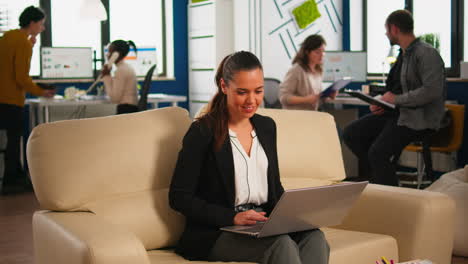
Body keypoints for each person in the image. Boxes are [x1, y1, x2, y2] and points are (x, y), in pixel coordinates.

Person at [169, 51, 330, 263]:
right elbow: (179, 197)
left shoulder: (266, 126)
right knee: (280, 244)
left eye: (258, 91)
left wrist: (293, 216)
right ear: (224, 86)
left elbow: (274, 186)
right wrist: (232, 217)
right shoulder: (203, 131)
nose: (251, 100)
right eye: (242, 92)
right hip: (218, 231)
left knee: (314, 237)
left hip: (264, 222)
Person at [342, 9, 446, 186]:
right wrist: (382, 102)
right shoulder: (403, 54)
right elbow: (396, 89)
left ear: (394, 28)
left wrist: (395, 100)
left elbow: (431, 91)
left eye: (386, 30)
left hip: (419, 119)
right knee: (351, 134)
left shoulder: (426, 53)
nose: (386, 34)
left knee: (378, 153)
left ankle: (390, 192)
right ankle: (379, 179)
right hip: (398, 114)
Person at [0, 6, 55, 195]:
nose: (43, 28)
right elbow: (21, 77)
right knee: (14, 140)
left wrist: (29, 46)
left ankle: (12, 177)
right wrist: (41, 92)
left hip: (1, 98)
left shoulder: (8, 36)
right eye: (41, 24)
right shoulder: (22, 43)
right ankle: (11, 180)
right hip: (10, 99)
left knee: (11, 139)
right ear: (32, 23)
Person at [279, 34, 337, 111]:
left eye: (323, 52)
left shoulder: (318, 71)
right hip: (296, 116)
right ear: (307, 52)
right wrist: (305, 99)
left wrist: (328, 96)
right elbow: (283, 97)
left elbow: (315, 99)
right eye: (317, 52)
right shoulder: (296, 70)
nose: (322, 55)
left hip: (311, 115)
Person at [101, 40, 139, 114]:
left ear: (116, 54)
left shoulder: (121, 70)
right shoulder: (125, 67)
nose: (107, 55)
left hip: (126, 111)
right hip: (130, 109)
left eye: (110, 52)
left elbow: (114, 99)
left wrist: (106, 76)